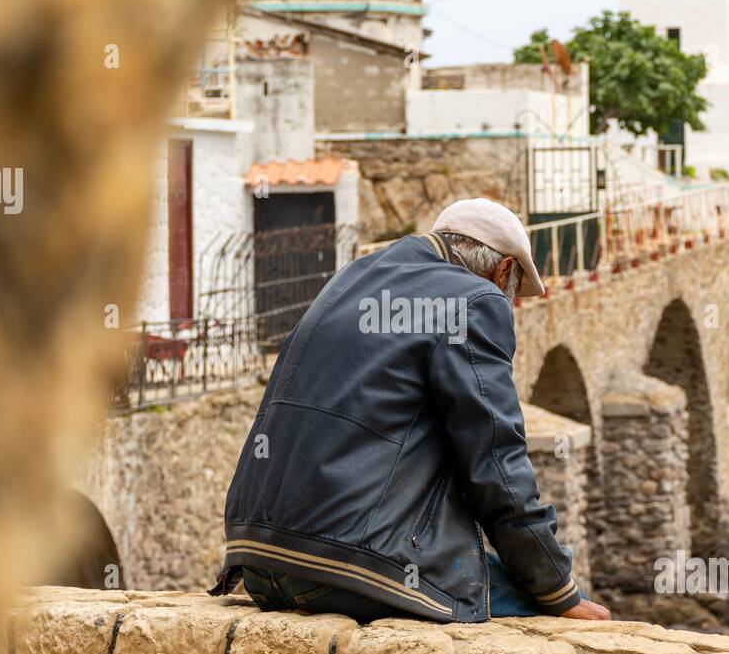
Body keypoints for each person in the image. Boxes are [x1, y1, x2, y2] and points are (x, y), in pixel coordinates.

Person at [210, 198, 610, 623]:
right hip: (347, 568)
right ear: (504, 271)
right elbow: (495, 459)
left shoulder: (351, 278)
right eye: (511, 294)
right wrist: (557, 590)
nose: (508, 304)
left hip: (259, 564)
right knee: (564, 608)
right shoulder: (474, 301)